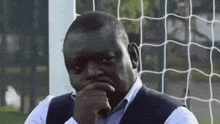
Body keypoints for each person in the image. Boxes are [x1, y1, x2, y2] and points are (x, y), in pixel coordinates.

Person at [25, 11, 199, 124]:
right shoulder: (46, 113)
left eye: (105, 59)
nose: (92, 72)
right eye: (78, 66)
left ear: (133, 57)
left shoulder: (173, 118)